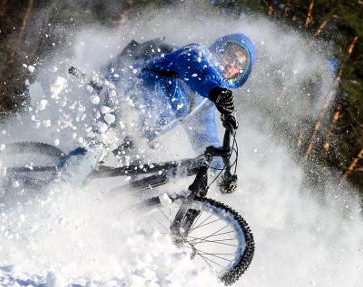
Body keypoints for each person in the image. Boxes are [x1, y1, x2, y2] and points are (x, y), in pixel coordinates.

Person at [59, 33, 255, 193]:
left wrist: (222, 174)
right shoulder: (195, 54)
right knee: (97, 149)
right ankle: (55, 193)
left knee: (140, 185)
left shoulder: (204, 105)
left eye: (240, 64)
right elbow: (199, 72)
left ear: (241, 74)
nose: (232, 65)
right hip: (121, 103)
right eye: (230, 55)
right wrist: (215, 91)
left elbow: (205, 138)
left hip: (138, 134)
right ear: (220, 50)